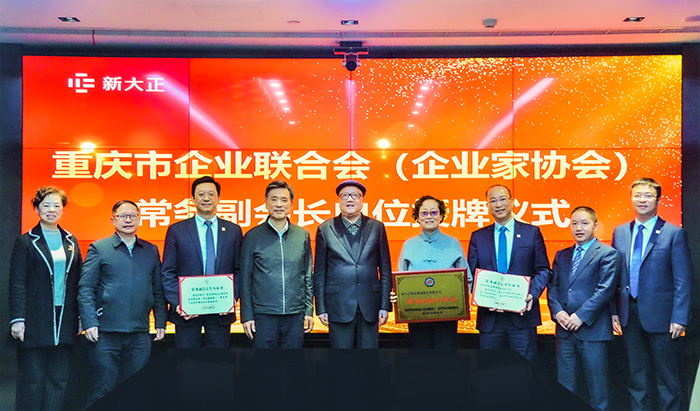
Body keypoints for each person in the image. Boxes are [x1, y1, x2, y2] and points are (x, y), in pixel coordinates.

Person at [611, 177, 693, 411]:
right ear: (631, 199)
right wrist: (614, 311)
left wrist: (679, 317)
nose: (642, 200)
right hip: (629, 314)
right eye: (637, 195)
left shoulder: (673, 233)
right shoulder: (620, 232)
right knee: (636, 376)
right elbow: (615, 277)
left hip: (663, 317)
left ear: (658, 200)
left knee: (667, 378)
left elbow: (683, 280)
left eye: (648, 195)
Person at [78, 200, 167, 406]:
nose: (128, 220)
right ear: (113, 220)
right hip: (105, 333)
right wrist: (89, 322)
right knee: (103, 388)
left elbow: (157, 288)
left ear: (139, 218)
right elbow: (86, 288)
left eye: (132, 216)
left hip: (139, 333)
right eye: (122, 216)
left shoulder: (150, 250)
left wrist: (161, 320)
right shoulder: (99, 248)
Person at [8, 186, 82, 411]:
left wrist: (81, 317)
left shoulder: (71, 241)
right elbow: (17, 282)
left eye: (57, 205)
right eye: (46, 205)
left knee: (59, 379)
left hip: (65, 318)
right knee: (31, 380)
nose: (52, 210)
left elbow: (79, 281)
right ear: (36, 209)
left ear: (63, 210)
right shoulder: (25, 242)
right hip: (34, 319)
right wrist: (17, 319)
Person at [547, 206, 621, 411]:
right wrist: (558, 313)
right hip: (564, 331)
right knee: (565, 385)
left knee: (598, 388)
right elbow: (553, 288)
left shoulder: (608, 254)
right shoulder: (561, 255)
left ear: (596, 226)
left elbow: (605, 290)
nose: (578, 228)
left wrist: (580, 316)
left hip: (592, 330)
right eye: (574, 223)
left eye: (584, 223)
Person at [467, 184, 551, 361]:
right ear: (487, 205)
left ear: (512, 202)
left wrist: (531, 294)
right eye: (493, 201)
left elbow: (543, 270)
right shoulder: (478, 237)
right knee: (490, 369)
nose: (498, 204)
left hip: (522, 317)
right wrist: (482, 297)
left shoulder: (531, 233)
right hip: (490, 318)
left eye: (503, 199)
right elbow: (471, 274)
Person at [161, 176, 243, 348]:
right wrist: (178, 302)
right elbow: (167, 271)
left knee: (219, 360)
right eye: (201, 194)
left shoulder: (233, 231)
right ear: (192, 198)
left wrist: (231, 298)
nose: (206, 198)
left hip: (221, 311)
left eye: (211, 194)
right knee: (186, 360)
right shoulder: (177, 230)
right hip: (187, 312)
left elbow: (239, 270)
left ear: (219, 198)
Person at [314, 180, 392, 348]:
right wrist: (321, 308)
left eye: (355, 195)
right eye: (345, 196)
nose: (350, 199)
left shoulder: (377, 227)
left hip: (370, 305)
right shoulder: (325, 229)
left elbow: (385, 269)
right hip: (338, 305)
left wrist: (385, 305)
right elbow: (319, 272)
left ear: (362, 200)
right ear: (339, 200)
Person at [239, 180, 313, 348]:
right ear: (266, 203)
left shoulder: (301, 235)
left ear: (291, 204)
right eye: (274, 199)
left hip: (295, 314)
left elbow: (307, 275)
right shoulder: (252, 237)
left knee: (292, 362)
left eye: (284, 200)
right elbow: (245, 279)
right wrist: (247, 315)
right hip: (263, 315)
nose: (279, 204)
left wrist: (308, 311)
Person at [394, 195, 471, 348]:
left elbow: (466, 279)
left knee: (445, 356)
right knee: (420, 357)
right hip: (417, 314)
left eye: (434, 212)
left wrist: (461, 305)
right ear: (417, 217)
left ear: (441, 216)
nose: (429, 216)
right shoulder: (409, 245)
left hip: (447, 314)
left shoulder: (453, 243)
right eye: (424, 213)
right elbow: (400, 279)